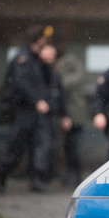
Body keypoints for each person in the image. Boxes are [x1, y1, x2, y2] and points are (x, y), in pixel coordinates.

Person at [0, 25, 50, 193]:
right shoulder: (23, 58)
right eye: (45, 38)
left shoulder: (36, 59)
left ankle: (34, 183)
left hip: (34, 113)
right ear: (39, 39)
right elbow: (22, 84)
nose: (47, 42)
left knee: (36, 148)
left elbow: (44, 83)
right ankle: (1, 178)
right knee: (15, 148)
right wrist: (37, 102)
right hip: (23, 112)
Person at [39, 44, 72, 182]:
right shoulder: (36, 70)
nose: (50, 58)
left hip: (52, 116)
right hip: (38, 117)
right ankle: (39, 179)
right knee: (42, 147)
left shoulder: (55, 75)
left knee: (52, 148)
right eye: (48, 54)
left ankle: (46, 178)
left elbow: (61, 97)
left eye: (53, 55)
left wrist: (66, 115)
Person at [57, 53, 87, 186]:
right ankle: (73, 174)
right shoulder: (77, 74)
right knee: (70, 146)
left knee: (72, 146)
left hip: (74, 115)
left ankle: (76, 175)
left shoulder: (72, 77)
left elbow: (63, 85)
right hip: (75, 114)